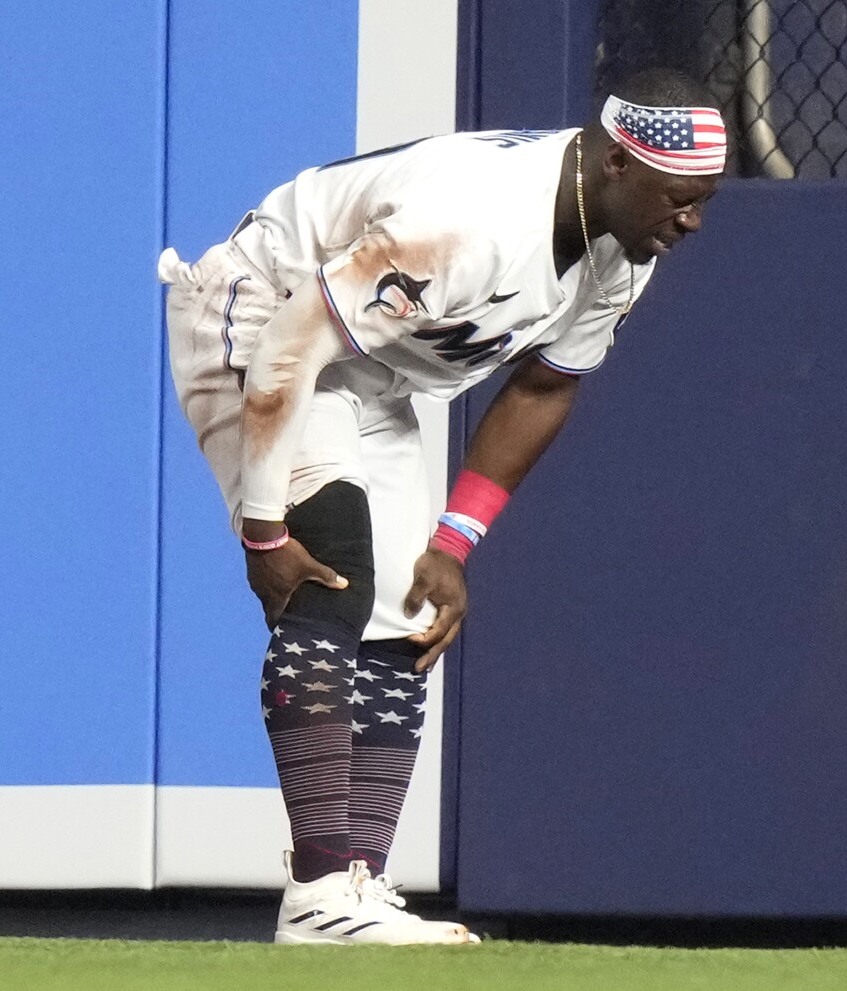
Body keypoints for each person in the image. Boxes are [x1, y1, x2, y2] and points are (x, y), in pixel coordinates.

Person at [158, 67, 724, 945]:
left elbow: (544, 385)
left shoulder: (622, 248)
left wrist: (455, 541)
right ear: (616, 162)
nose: (691, 221)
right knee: (331, 568)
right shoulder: (472, 222)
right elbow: (292, 342)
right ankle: (316, 891)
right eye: (678, 198)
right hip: (262, 310)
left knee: (405, 615)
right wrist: (264, 527)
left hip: (371, 372)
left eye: (703, 201)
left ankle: (354, 889)